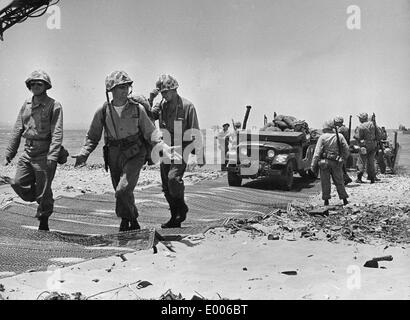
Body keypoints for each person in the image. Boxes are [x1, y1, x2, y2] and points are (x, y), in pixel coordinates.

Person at [72, 71, 178, 232]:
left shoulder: (138, 109)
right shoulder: (103, 110)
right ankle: (130, 219)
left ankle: (126, 218)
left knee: (123, 189)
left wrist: (161, 145)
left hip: (135, 153)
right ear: (111, 90)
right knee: (121, 191)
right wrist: (84, 153)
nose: (124, 90)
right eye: (120, 87)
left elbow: (150, 132)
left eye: (126, 86)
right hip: (113, 154)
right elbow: (93, 136)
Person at [2, 70, 63, 231]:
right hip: (27, 151)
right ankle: (42, 195)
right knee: (17, 182)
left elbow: (57, 132)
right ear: (29, 86)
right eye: (33, 84)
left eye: (39, 84)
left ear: (46, 86)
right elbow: (17, 129)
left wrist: (53, 155)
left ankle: (44, 220)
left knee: (43, 192)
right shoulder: (26, 105)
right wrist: (9, 153)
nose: (35, 86)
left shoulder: (54, 105)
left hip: (45, 153)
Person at [148, 74, 200, 228]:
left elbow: (194, 129)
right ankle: (174, 216)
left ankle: (181, 208)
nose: (164, 95)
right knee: (165, 185)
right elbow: (148, 116)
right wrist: (151, 99)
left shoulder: (187, 106)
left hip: (181, 147)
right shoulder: (161, 105)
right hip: (165, 147)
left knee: (173, 179)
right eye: (162, 93)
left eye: (166, 92)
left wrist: (197, 151)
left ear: (175, 89)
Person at [311, 120, 349, 206]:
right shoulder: (340, 136)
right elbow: (346, 149)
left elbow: (317, 153)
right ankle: (344, 199)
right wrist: (342, 159)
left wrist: (313, 165)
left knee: (325, 182)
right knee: (339, 181)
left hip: (324, 162)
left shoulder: (322, 137)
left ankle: (326, 201)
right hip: (336, 162)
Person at [353, 112, 379, 183]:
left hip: (364, 146)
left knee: (361, 161)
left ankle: (359, 178)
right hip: (373, 145)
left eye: (359, 118)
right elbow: (379, 134)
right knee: (371, 161)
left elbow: (357, 137)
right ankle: (371, 177)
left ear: (361, 118)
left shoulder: (360, 126)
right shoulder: (373, 124)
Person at [333, 116, 353, 185]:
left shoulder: (340, 130)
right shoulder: (346, 129)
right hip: (344, 147)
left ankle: (345, 178)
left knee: (339, 164)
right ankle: (345, 178)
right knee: (342, 164)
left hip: (341, 148)